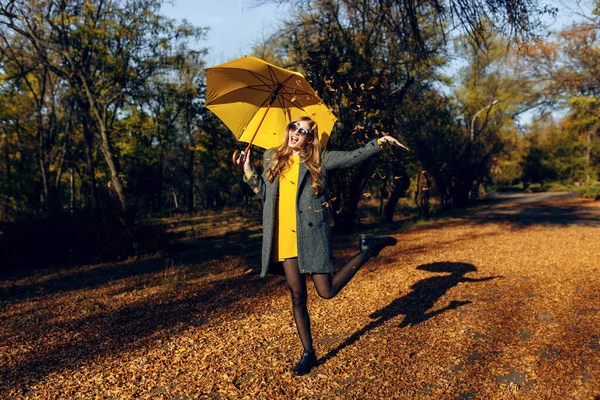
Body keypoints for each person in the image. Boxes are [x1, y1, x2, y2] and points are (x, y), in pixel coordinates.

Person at [235, 116, 406, 376]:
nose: (296, 132)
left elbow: (352, 157)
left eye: (303, 131)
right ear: (288, 130)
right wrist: (248, 170)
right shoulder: (272, 156)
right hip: (284, 238)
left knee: (326, 292)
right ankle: (308, 352)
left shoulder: (318, 159)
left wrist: (380, 143)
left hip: (311, 235)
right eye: (294, 127)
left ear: (309, 138)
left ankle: (367, 249)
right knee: (297, 296)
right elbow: (264, 195)